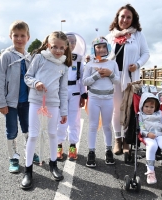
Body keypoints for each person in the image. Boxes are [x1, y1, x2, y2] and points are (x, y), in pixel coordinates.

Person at [21, 31, 72, 189]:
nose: (58, 50)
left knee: (52, 134)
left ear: (65, 48)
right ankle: (28, 171)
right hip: (36, 102)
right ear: (48, 45)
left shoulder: (64, 66)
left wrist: (64, 111)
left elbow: (63, 90)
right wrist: (36, 83)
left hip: (53, 104)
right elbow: (27, 76)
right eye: (54, 47)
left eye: (61, 48)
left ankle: (53, 165)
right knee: (34, 135)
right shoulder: (39, 58)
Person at [0, 20, 39, 174]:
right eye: (16, 35)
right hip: (11, 103)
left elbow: (33, 77)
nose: (19, 39)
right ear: (10, 36)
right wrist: (1, 102)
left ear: (28, 37)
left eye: (22, 35)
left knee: (29, 129)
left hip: (27, 102)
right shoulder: (6, 56)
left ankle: (30, 152)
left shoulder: (30, 57)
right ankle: (13, 158)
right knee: (12, 131)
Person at [106, 4, 150, 155]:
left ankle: (127, 140)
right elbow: (101, 54)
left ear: (133, 19)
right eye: (122, 16)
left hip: (131, 78)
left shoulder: (138, 35)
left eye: (128, 17)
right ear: (117, 18)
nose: (125, 20)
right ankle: (117, 139)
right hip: (113, 78)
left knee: (130, 110)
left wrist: (137, 64)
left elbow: (146, 54)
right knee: (116, 110)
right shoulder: (110, 36)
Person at [83, 36, 120, 167]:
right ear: (94, 49)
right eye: (98, 47)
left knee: (106, 126)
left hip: (108, 99)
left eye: (104, 46)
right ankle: (91, 152)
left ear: (108, 48)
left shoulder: (112, 63)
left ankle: (108, 150)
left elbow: (117, 81)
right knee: (93, 126)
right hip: (94, 98)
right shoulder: (90, 64)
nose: (101, 49)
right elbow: (84, 82)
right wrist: (97, 75)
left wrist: (110, 73)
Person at [56, 32, 87, 161]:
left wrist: (83, 95)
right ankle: (58, 146)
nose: (71, 44)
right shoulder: (57, 57)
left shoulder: (79, 59)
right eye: (68, 41)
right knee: (60, 119)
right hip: (60, 91)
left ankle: (73, 146)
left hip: (75, 91)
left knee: (74, 120)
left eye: (74, 41)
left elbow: (83, 79)